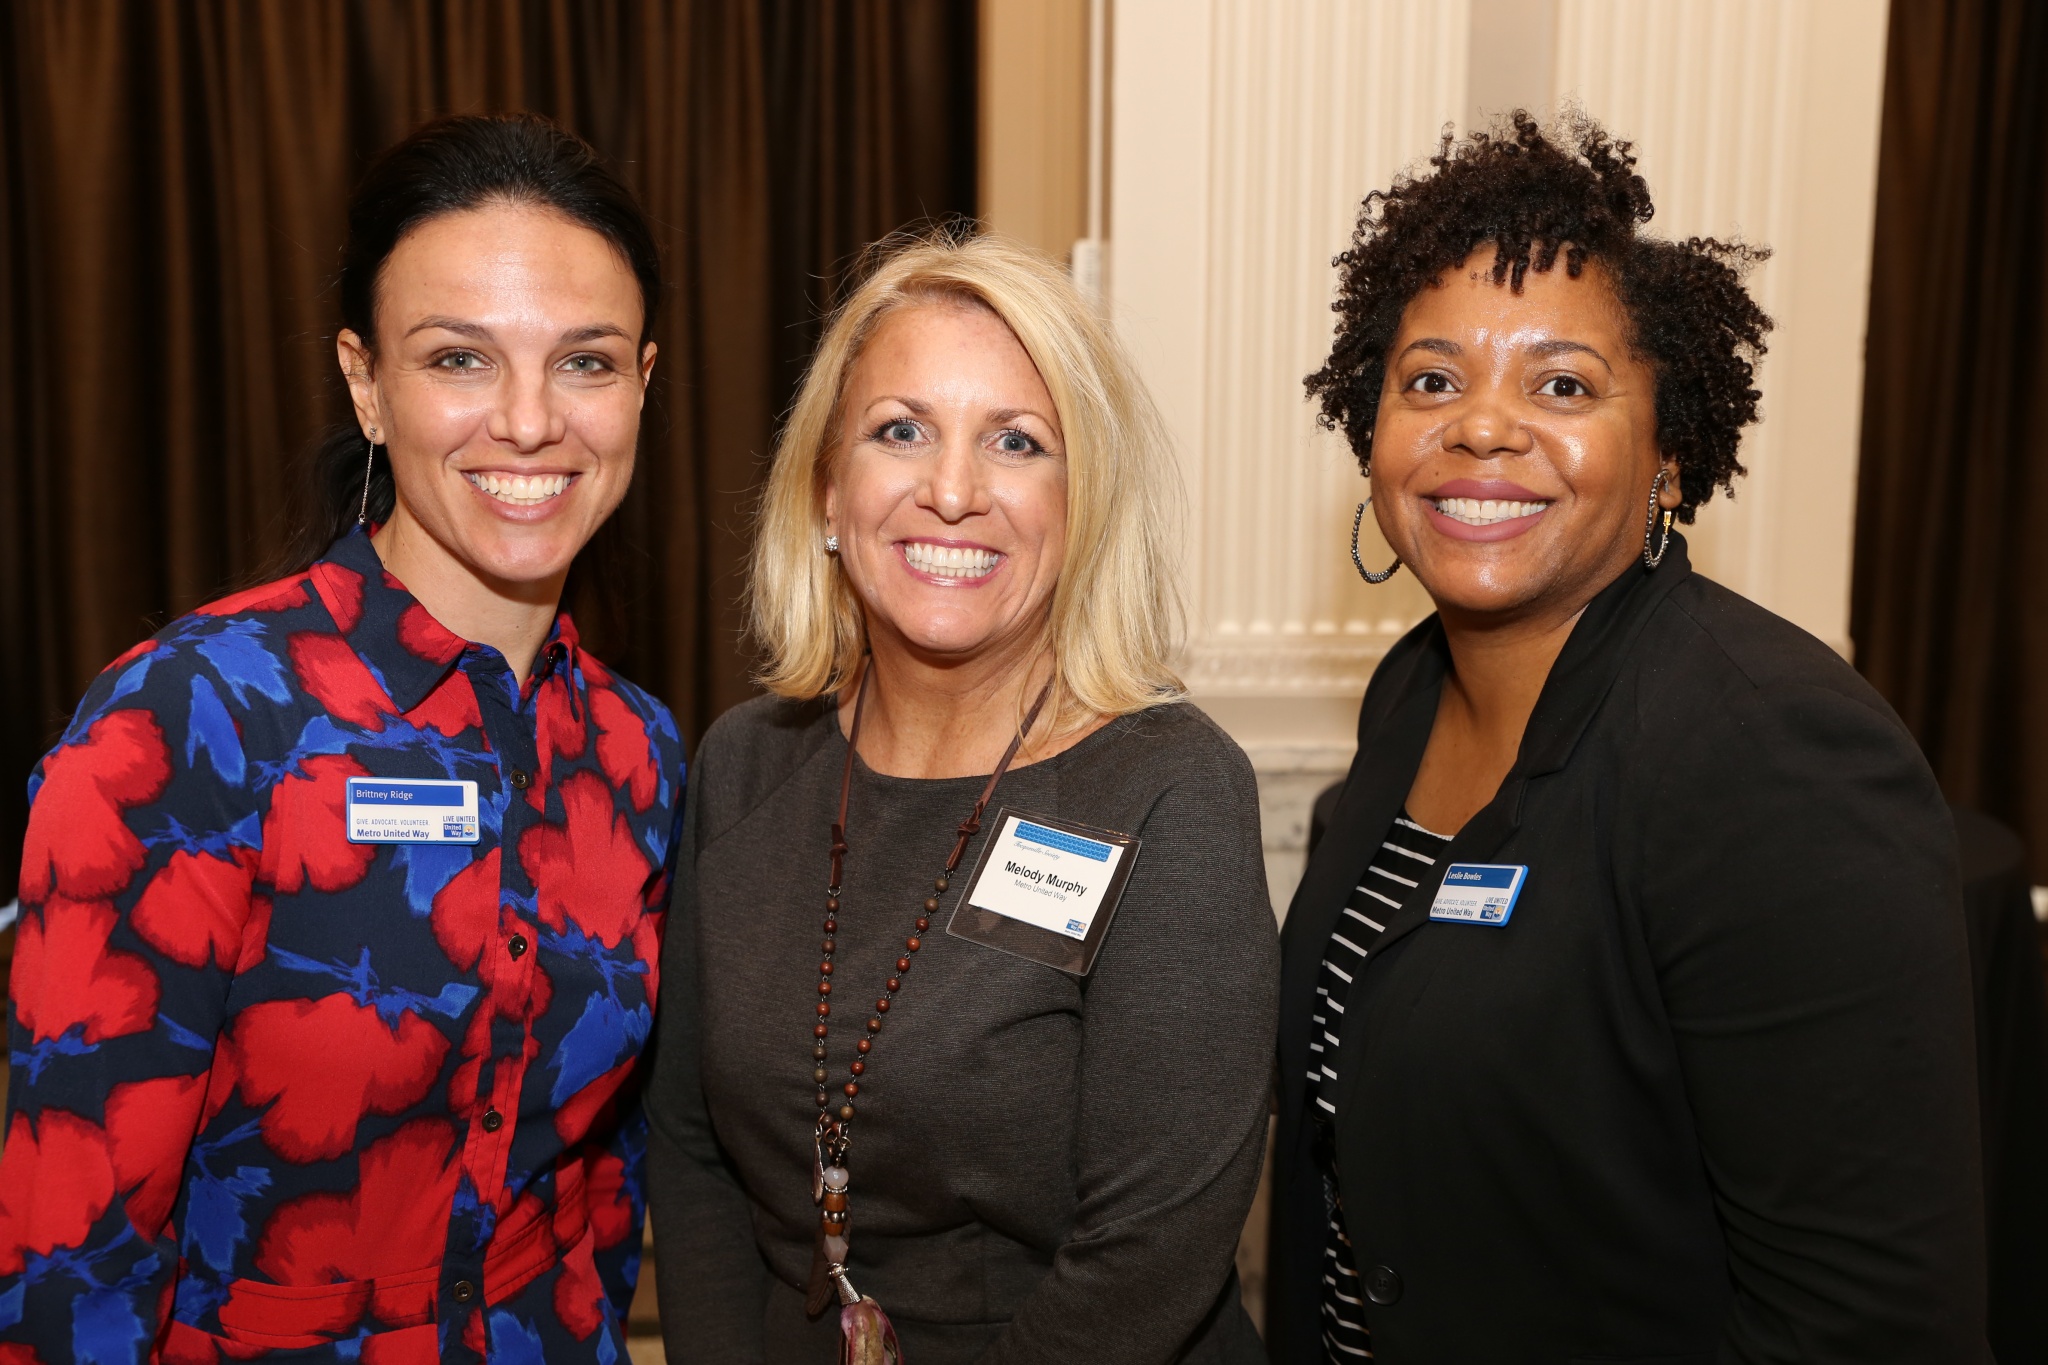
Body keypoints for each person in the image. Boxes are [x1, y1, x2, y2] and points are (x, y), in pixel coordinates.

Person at [1267, 113, 1989, 1363]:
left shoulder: (1770, 751)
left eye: (1560, 385)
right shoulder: (1410, 693)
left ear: (1666, 454)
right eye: (1429, 380)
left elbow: (1869, 1323)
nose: (1479, 426)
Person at [0, 114, 683, 1365]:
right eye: (459, 358)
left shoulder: (635, 751)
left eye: (583, 363)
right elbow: (70, 1256)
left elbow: (606, 1184)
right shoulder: (191, 720)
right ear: (366, 384)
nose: (529, 420)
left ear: (642, 381)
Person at [647, 229, 1278, 1363]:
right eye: (901, 431)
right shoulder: (744, 764)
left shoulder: (1169, 787)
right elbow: (692, 1152)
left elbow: (1152, 1251)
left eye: (1016, 442)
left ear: (1081, 506)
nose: (951, 492)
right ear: (828, 492)